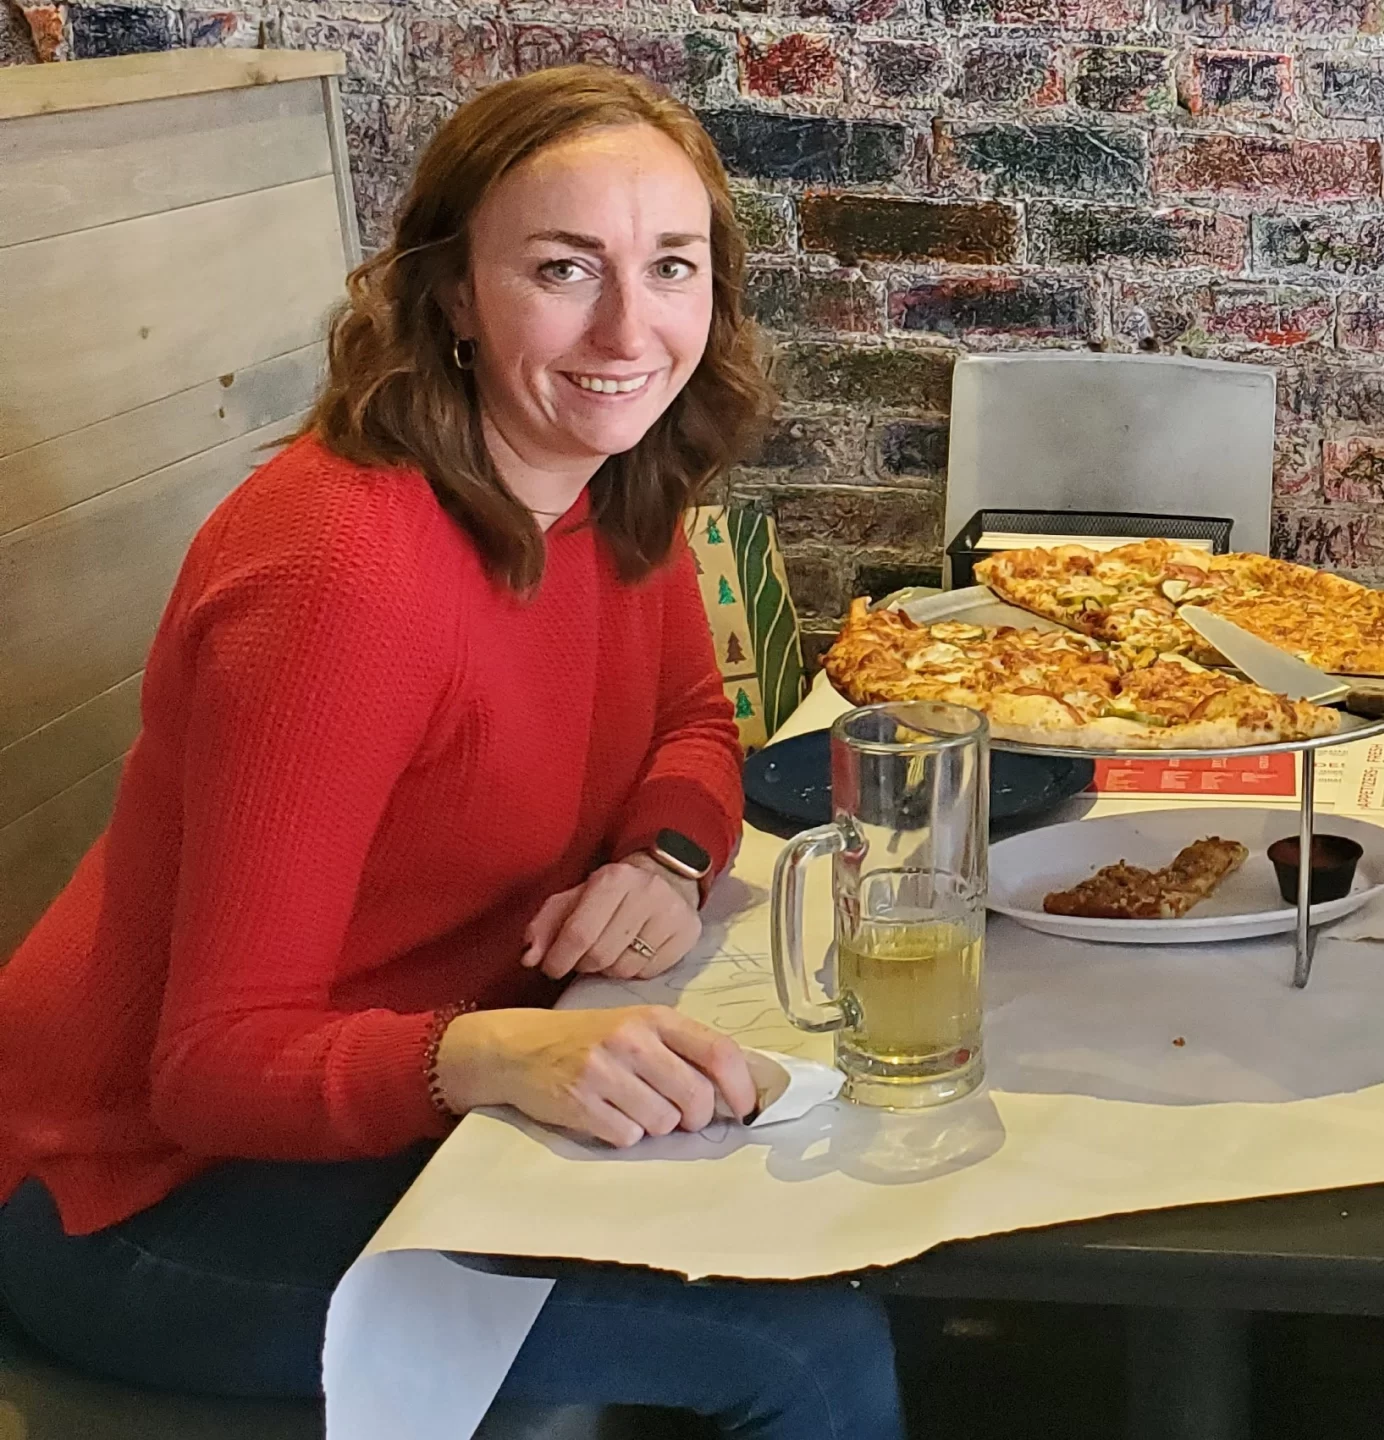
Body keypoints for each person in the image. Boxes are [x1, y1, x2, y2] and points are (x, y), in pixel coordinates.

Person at [0, 67, 901, 1439]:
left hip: (411, 1097)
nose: (629, 329)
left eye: (671, 267)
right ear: (452, 295)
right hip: (137, 1193)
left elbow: (692, 725)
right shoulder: (341, 572)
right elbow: (215, 1065)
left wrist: (664, 854)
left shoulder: (612, 476)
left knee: (823, 1217)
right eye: (561, 267)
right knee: (799, 1345)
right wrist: (490, 1058)